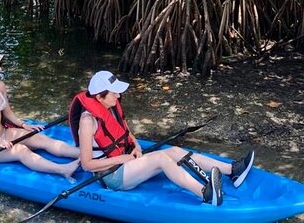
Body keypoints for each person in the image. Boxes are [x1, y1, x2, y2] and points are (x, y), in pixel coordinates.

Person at [71, 70, 255, 206]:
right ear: (99, 96)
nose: (119, 95)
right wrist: (124, 158)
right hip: (112, 175)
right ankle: (206, 194)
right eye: (113, 92)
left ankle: (232, 170)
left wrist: (136, 146)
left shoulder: (110, 106)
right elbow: (87, 164)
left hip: (127, 161)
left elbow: (126, 133)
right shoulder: (88, 121)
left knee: (174, 151)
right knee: (161, 158)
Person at [0, 50, 81, 179]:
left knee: (42, 139)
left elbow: (7, 112)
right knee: (21, 150)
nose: (0, 69)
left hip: (4, 134)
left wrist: (23, 125)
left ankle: (88, 155)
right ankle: (63, 170)